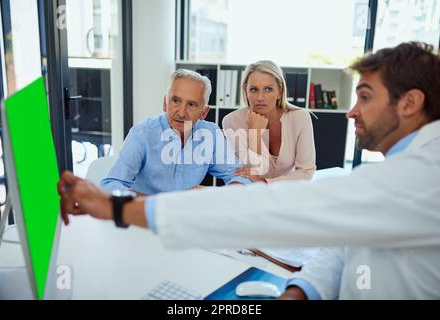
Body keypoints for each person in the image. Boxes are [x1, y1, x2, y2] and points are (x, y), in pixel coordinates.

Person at [58, 42, 440, 299]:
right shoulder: (152, 131)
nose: (351, 111)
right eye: (175, 101)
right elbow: (344, 243)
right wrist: (301, 289)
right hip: (141, 245)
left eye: (365, 97)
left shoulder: (422, 176)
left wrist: (120, 208)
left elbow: (261, 198)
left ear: (409, 103)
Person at [100, 69, 250, 195]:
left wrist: (210, 195)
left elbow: (241, 177)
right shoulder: (142, 133)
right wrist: (161, 203)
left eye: (191, 104)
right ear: (165, 103)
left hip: (186, 220)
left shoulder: (211, 134)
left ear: (203, 112)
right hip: (145, 217)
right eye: (176, 101)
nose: (182, 112)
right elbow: (110, 186)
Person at [222, 60, 316, 183]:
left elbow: (306, 172)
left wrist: (264, 183)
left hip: (287, 193)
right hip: (251, 194)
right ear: (246, 90)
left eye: (268, 89)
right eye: (254, 89)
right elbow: (249, 173)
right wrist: (255, 132)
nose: (260, 97)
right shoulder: (231, 122)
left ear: (280, 92)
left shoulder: (300, 117)